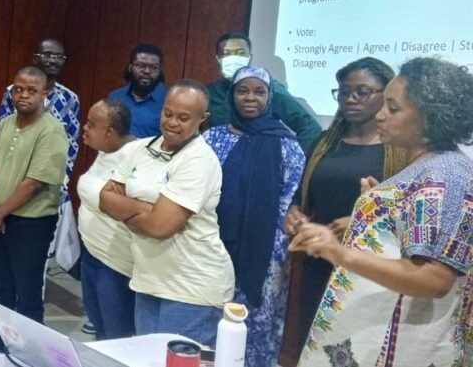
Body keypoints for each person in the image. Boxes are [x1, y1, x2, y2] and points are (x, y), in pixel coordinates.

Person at [287, 58, 473, 367]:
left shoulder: (443, 174)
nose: (381, 115)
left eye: (393, 108)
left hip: (403, 347)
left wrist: (338, 252)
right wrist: (376, 213)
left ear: (429, 117)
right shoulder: (429, 168)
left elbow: (434, 278)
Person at [278, 58, 407, 367]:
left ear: (385, 94)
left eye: (362, 91)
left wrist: (360, 220)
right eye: (344, 92)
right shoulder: (325, 143)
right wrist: (295, 214)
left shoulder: (400, 150)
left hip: (370, 266)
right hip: (316, 262)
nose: (350, 99)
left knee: (356, 347)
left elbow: (407, 207)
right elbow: (302, 197)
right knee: (315, 345)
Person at [99, 79, 233, 347]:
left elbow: (160, 227)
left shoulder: (199, 160)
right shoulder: (141, 148)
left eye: (183, 118)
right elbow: (104, 199)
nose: (172, 122)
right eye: (168, 113)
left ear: (202, 119)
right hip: (149, 279)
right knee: (148, 359)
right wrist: (144, 209)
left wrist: (129, 208)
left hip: (192, 286)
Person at [202, 66, 306, 367]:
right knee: (212, 321)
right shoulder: (212, 138)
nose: (250, 98)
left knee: (255, 326)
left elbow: (291, 199)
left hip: (265, 256)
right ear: (231, 96)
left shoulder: (287, 143)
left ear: (270, 97)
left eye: (259, 92)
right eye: (242, 91)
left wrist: (278, 252)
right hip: (213, 248)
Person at [0, 66, 69, 350]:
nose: (24, 95)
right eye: (18, 89)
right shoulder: (6, 123)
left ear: (45, 93)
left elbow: (35, 184)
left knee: (27, 289)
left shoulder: (52, 131)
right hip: (1, 218)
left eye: (31, 90)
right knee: (1, 285)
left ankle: (31, 348)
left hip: (32, 222)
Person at [0, 38, 81, 274]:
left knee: (33, 267)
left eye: (58, 56)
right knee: (2, 262)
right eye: (47, 54)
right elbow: (0, 135)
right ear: (35, 57)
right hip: (11, 181)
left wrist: (63, 183)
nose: (52, 60)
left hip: (44, 187)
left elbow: (72, 145)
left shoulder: (70, 98)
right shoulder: (12, 93)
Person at [76, 99, 137, 340]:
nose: (84, 128)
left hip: (114, 263)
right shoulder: (105, 151)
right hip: (91, 253)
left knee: (116, 334)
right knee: (99, 326)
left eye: (91, 124)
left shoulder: (135, 157)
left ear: (110, 132)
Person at [205, 32, 322, 150]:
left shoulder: (270, 89)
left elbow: (310, 128)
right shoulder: (208, 92)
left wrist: (296, 159)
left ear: (249, 57)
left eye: (240, 53)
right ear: (217, 59)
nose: (234, 58)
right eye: (227, 54)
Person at [106, 43, 167, 137]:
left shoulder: (169, 100)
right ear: (130, 67)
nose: (147, 71)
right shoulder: (115, 97)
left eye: (153, 67)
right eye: (141, 65)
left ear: (159, 71)